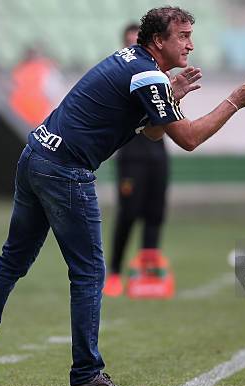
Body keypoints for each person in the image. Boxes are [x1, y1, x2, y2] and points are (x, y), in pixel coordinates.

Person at [0, 6, 245, 386]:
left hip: (36, 154)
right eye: (182, 35)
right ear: (158, 41)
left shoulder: (137, 63)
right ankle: (86, 374)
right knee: (88, 274)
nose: (190, 43)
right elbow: (187, 138)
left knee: (12, 260)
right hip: (64, 170)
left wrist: (174, 94)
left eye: (190, 35)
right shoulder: (149, 74)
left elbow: (154, 133)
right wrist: (234, 101)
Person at [104, 23, 176, 298]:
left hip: (158, 156)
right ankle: (114, 273)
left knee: (155, 216)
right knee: (128, 214)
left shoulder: (159, 77)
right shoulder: (121, 76)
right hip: (131, 157)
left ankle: (148, 274)